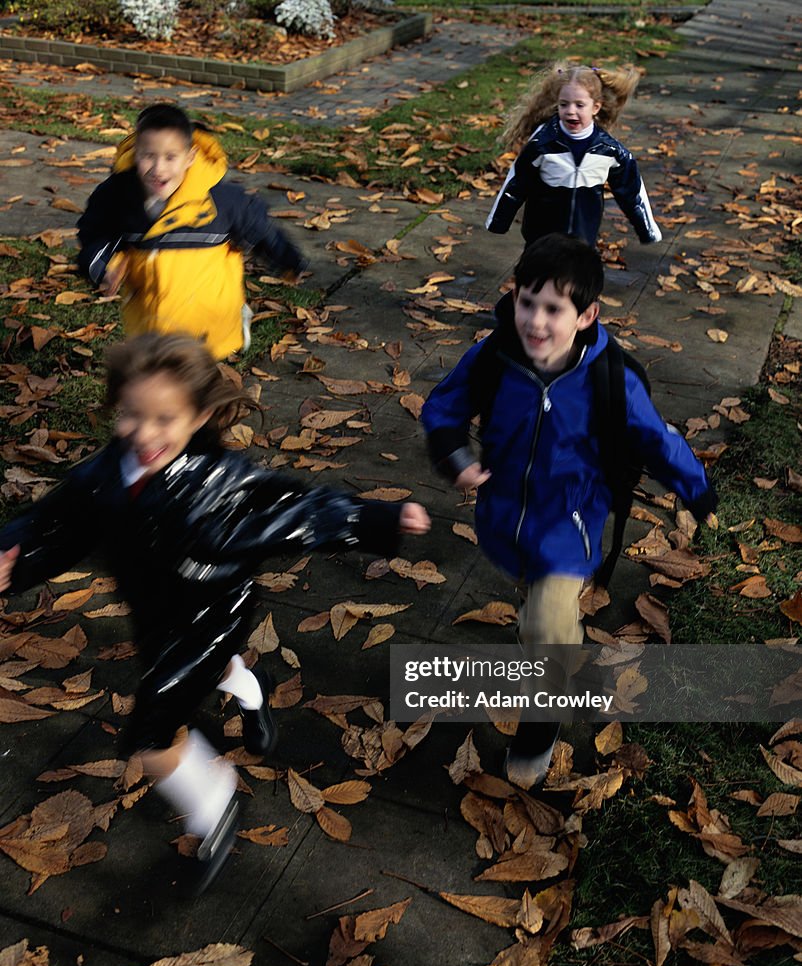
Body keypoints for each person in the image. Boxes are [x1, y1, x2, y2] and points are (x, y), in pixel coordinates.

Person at [0, 333, 430, 892]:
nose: (144, 434)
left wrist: (373, 520)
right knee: (213, 670)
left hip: (212, 612)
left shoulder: (220, 480)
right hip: (154, 607)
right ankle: (251, 690)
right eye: (131, 414)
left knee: (152, 734)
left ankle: (214, 798)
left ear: (199, 415)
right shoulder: (106, 473)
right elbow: (56, 525)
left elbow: (294, 509)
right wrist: (16, 553)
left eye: (164, 419)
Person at [421, 234, 715, 789]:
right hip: (504, 517)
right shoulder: (494, 357)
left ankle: (539, 726)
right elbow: (444, 405)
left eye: (553, 309)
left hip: (569, 524)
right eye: (526, 301)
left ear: (586, 316)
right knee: (532, 601)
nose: (534, 320)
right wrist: (453, 453)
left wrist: (697, 489)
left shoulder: (611, 380)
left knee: (551, 625)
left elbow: (658, 440)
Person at [77, 103, 305, 360]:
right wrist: (103, 263)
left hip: (207, 327)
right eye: (148, 156)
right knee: (156, 389)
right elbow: (94, 231)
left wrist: (287, 260)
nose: (158, 169)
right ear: (135, 154)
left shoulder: (223, 201)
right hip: (150, 325)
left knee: (193, 390)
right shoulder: (118, 196)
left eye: (170, 157)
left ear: (191, 157)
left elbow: (260, 229)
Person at [486, 63, 662, 250]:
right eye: (564, 104)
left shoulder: (608, 150)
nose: (570, 111)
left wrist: (647, 229)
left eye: (579, 105)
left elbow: (632, 191)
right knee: (538, 277)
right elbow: (516, 183)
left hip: (583, 241)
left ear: (595, 107)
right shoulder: (543, 144)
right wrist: (499, 221)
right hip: (542, 240)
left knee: (580, 277)